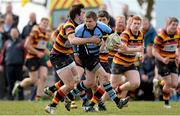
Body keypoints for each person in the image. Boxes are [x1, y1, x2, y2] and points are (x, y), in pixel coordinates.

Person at [67, 11, 129, 112]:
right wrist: (76, 53)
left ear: (95, 21)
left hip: (95, 56)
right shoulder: (79, 29)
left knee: (90, 82)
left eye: (90, 21)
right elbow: (74, 42)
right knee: (105, 77)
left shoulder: (103, 27)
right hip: (86, 56)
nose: (88, 23)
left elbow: (113, 36)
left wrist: (118, 44)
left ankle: (70, 95)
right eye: (86, 21)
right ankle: (117, 102)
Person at [44, 4, 100, 114]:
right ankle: (51, 106)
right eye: (83, 13)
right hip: (57, 57)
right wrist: (91, 40)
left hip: (66, 55)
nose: (85, 15)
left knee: (76, 79)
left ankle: (54, 90)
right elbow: (73, 40)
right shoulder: (68, 25)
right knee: (69, 85)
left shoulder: (81, 25)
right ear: (77, 15)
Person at [12, 17, 50, 101]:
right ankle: (19, 85)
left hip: (40, 59)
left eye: (47, 23)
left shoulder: (47, 34)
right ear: (40, 23)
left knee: (43, 77)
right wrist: (37, 53)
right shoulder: (35, 31)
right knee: (33, 80)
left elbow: (43, 48)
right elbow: (26, 45)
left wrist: (52, 54)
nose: (45, 24)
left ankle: (38, 99)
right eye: (43, 23)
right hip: (32, 58)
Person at [110, 16, 144, 102]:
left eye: (138, 24)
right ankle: (99, 102)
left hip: (130, 63)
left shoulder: (141, 34)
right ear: (130, 24)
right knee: (111, 85)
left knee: (136, 83)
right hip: (119, 62)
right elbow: (123, 50)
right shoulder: (125, 34)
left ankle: (119, 91)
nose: (136, 25)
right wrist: (137, 50)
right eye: (135, 23)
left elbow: (141, 48)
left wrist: (140, 54)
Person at [153, 17, 179, 108]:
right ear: (168, 24)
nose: (175, 27)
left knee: (175, 84)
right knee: (168, 82)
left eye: (176, 25)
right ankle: (166, 104)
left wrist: (178, 55)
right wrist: (163, 59)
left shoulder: (178, 34)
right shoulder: (160, 36)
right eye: (173, 24)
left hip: (172, 61)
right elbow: (154, 52)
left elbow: (178, 46)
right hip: (161, 61)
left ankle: (160, 83)